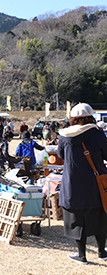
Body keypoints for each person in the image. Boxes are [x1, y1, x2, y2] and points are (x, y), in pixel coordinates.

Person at [57, 103, 107, 265]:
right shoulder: (98, 134)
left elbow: (60, 154)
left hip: (73, 185)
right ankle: (102, 252)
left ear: (73, 118)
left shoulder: (64, 135)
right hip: (96, 184)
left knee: (77, 220)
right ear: (91, 116)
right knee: (100, 217)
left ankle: (81, 255)